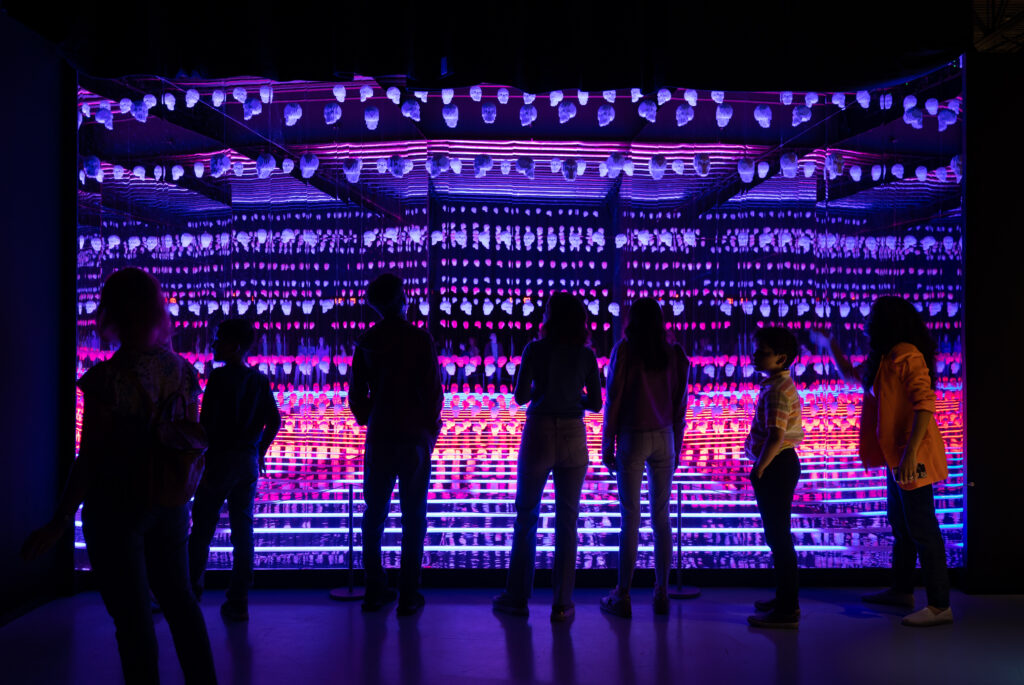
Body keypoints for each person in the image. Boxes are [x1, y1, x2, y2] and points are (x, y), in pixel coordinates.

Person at [22, 267, 217, 684]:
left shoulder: (107, 380)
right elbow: (188, 436)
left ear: (113, 313)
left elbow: (90, 457)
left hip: (117, 505)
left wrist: (61, 520)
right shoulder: (183, 372)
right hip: (170, 501)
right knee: (181, 603)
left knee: (133, 619)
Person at [815, 296, 952, 627]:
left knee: (922, 527)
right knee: (901, 524)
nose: (867, 322)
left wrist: (910, 454)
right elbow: (852, 376)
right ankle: (902, 590)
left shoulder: (906, 354)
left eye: (873, 317)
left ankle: (940, 605)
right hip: (899, 456)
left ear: (887, 322)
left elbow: (925, 404)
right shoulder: (886, 357)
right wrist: (830, 345)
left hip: (912, 455)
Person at [492, 292, 603, 622]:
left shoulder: (535, 349)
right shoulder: (586, 355)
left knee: (526, 515)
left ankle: (517, 597)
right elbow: (596, 404)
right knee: (567, 521)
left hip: (539, 432)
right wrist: (574, 397)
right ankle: (562, 603)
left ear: (549, 318)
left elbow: (520, 396)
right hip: (573, 435)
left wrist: (544, 391)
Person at [349, 274, 443, 616]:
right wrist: (429, 430)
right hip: (414, 434)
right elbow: (433, 392)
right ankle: (408, 594)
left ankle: (374, 588)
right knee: (413, 515)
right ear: (401, 299)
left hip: (381, 434)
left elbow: (356, 396)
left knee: (374, 513)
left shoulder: (367, 341)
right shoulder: (419, 339)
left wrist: (371, 418)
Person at [599, 298, 689, 618]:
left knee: (630, 518)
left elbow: (613, 398)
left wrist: (607, 442)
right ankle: (661, 591)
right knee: (661, 517)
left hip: (632, 435)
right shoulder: (675, 354)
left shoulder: (625, 351)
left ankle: (622, 594)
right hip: (664, 437)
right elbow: (680, 405)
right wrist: (677, 444)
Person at [188, 318, 281, 621]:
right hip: (247, 462)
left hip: (219, 462)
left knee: (202, 528)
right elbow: (274, 421)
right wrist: (260, 451)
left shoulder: (218, 378)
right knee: (243, 531)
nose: (214, 344)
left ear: (235, 346)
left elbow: (205, 425)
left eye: (220, 339)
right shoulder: (259, 380)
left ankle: (191, 593)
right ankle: (238, 600)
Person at [743, 327, 805, 629]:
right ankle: (784, 598)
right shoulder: (778, 384)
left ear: (781, 358)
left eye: (763, 352)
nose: (755, 356)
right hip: (781, 463)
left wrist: (759, 468)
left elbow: (776, 436)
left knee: (778, 538)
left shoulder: (777, 392)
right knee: (778, 536)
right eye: (756, 350)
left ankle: (787, 608)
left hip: (776, 465)